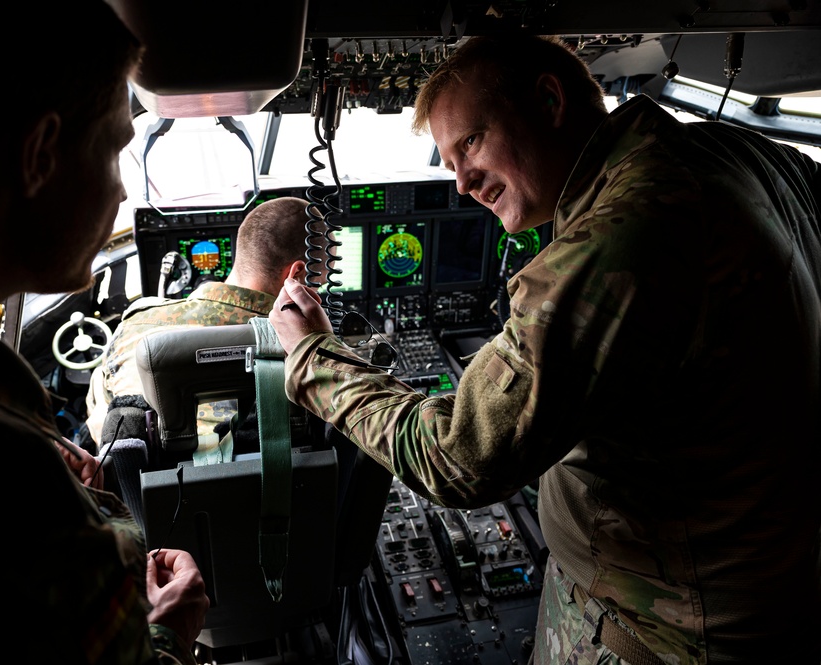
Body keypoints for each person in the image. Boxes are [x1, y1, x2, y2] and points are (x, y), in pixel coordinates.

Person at [270, 33, 820, 664]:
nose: (461, 185)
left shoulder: (620, 235)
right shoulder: (745, 153)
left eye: (470, 143)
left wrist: (314, 355)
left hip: (665, 631)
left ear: (550, 99)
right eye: (448, 162)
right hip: (770, 584)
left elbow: (458, 457)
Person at [0, 1, 210, 661]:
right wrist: (167, 632)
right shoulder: (5, 475)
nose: (121, 194)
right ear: (38, 154)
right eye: (116, 148)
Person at [84, 196, 323, 464]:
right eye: (323, 280)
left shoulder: (135, 324)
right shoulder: (311, 350)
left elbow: (103, 430)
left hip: (147, 499)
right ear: (298, 273)